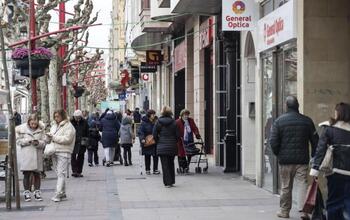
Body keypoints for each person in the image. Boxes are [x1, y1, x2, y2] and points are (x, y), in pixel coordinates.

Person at [269, 96, 319, 219]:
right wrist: (313, 156)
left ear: (286, 105)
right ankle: (303, 212)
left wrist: (278, 154)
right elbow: (315, 141)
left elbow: (273, 141)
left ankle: (284, 211)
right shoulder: (307, 121)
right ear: (298, 106)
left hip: (285, 161)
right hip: (302, 160)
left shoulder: (279, 121)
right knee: (302, 183)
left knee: (286, 186)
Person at [310, 102, 350, 220]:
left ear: (338, 113)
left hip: (335, 172)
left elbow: (320, 150)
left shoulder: (329, 129)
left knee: (333, 201)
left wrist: (315, 170)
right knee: (348, 201)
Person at [47, 109, 76, 202]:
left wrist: (54, 137)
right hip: (54, 151)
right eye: (55, 116)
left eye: (58, 116)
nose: (56, 118)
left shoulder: (69, 126)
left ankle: (58, 193)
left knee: (61, 173)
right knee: (59, 173)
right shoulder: (54, 125)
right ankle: (62, 193)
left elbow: (67, 139)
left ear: (62, 116)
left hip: (64, 151)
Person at [16, 114, 46, 202]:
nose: (33, 125)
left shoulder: (41, 130)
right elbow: (18, 141)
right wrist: (28, 141)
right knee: (26, 174)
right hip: (27, 155)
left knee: (37, 174)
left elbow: (44, 142)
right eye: (32, 123)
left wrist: (38, 143)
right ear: (28, 122)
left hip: (37, 155)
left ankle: (37, 192)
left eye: (35, 124)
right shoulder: (22, 129)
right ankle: (26, 192)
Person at [153, 106, 180, 187]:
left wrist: (159, 141)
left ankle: (167, 182)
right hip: (172, 146)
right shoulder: (174, 122)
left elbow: (154, 135)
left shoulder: (158, 122)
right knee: (171, 163)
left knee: (165, 165)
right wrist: (174, 142)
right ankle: (171, 181)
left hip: (162, 146)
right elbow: (178, 135)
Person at [176, 109, 201, 173]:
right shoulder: (177, 122)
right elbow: (176, 131)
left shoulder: (190, 120)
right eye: (185, 115)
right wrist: (178, 136)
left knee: (189, 153)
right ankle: (182, 167)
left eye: (187, 115)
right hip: (181, 140)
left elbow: (194, 128)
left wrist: (197, 134)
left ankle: (187, 166)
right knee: (181, 154)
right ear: (182, 115)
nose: (186, 116)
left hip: (189, 140)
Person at [138, 109, 160, 175]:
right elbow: (140, 132)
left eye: (154, 114)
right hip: (147, 141)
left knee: (156, 156)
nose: (154, 115)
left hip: (155, 141)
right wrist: (142, 139)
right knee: (147, 156)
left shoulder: (156, 121)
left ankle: (155, 169)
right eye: (152, 114)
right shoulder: (144, 123)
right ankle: (147, 169)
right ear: (149, 115)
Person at [70, 110, 89, 177]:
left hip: (82, 142)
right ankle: (74, 171)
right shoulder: (71, 123)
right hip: (73, 142)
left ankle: (79, 171)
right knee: (73, 156)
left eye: (79, 117)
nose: (78, 119)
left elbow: (87, 132)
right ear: (74, 117)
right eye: (76, 117)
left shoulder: (85, 122)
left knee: (81, 157)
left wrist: (87, 140)